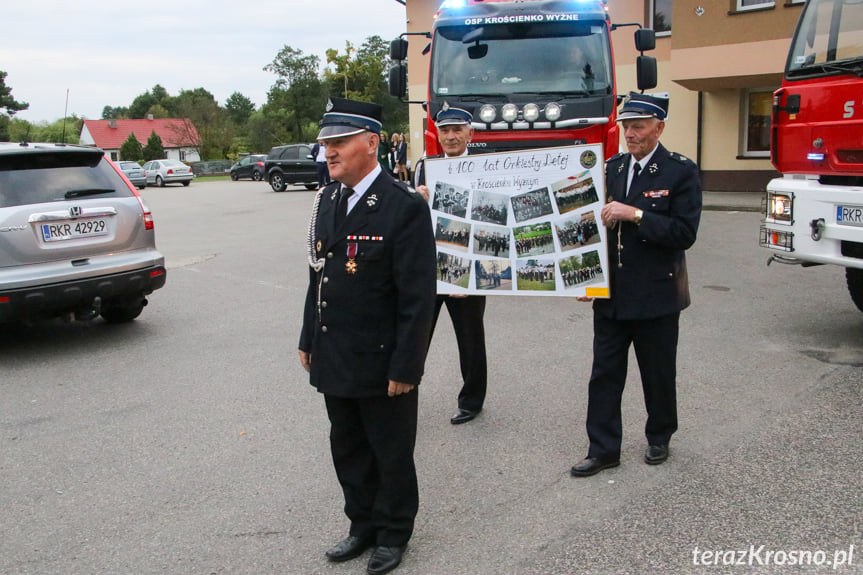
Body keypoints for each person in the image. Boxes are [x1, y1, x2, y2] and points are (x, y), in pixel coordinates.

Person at [298, 97, 437, 574]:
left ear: (372, 143)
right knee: (349, 446)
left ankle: (394, 531)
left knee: (390, 449)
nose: (328, 153)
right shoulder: (328, 199)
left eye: (338, 143)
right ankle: (362, 523)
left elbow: (418, 298)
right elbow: (319, 274)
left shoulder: (403, 207)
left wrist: (407, 365)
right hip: (336, 350)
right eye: (325, 144)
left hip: (382, 358)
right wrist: (308, 336)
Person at [570, 92, 702, 477]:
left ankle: (659, 436)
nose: (631, 133)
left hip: (657, 294)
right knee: (604, 375)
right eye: (626, 126)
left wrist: (637, 214)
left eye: (639, 126)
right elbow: (592, 230)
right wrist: (586, 274)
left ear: (659, 128)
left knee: (657, 372)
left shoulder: (680, 171)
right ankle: (603, 448)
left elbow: (683, 233)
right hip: (612, 295)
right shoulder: (610, 168)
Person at [414, 104, 488, 425]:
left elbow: (492, 221)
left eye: (458, 130)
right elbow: (410, 219)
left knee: (470, 339)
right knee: (415, 336)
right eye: (445, 130)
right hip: (428, 267)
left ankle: (472, 401)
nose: (451, 136)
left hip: (466, 266)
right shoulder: (425, 167)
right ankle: (403, 395)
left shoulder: (484, 167)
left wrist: (470, 273)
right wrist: (414, 198)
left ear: (471, 133)